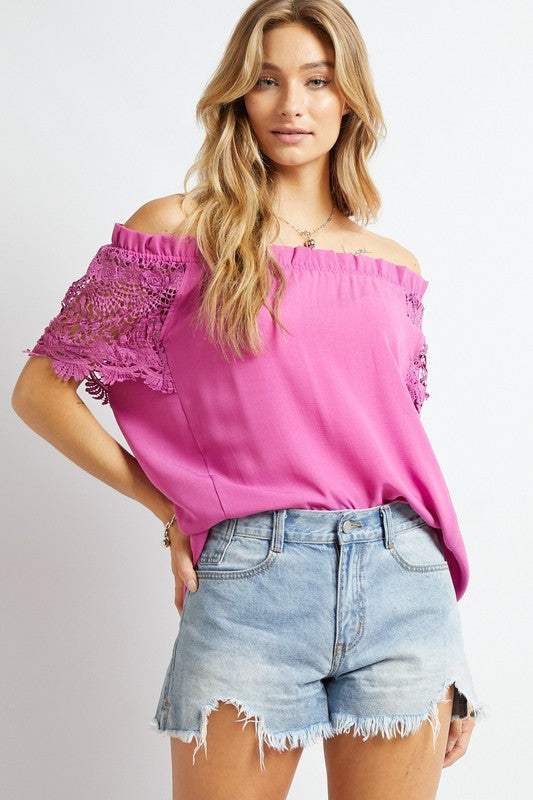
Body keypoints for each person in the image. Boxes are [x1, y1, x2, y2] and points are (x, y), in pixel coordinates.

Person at [12, 1, 487, 798]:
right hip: (251, 583)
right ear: (239, 94)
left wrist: (452, 653)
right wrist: (171, 508)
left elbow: (392, 447)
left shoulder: (393, 265)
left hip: (405, 578)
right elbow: (41, 393)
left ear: (349, 99)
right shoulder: (175, 232)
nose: (291, 104)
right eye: (267, 80)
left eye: (316, 80)